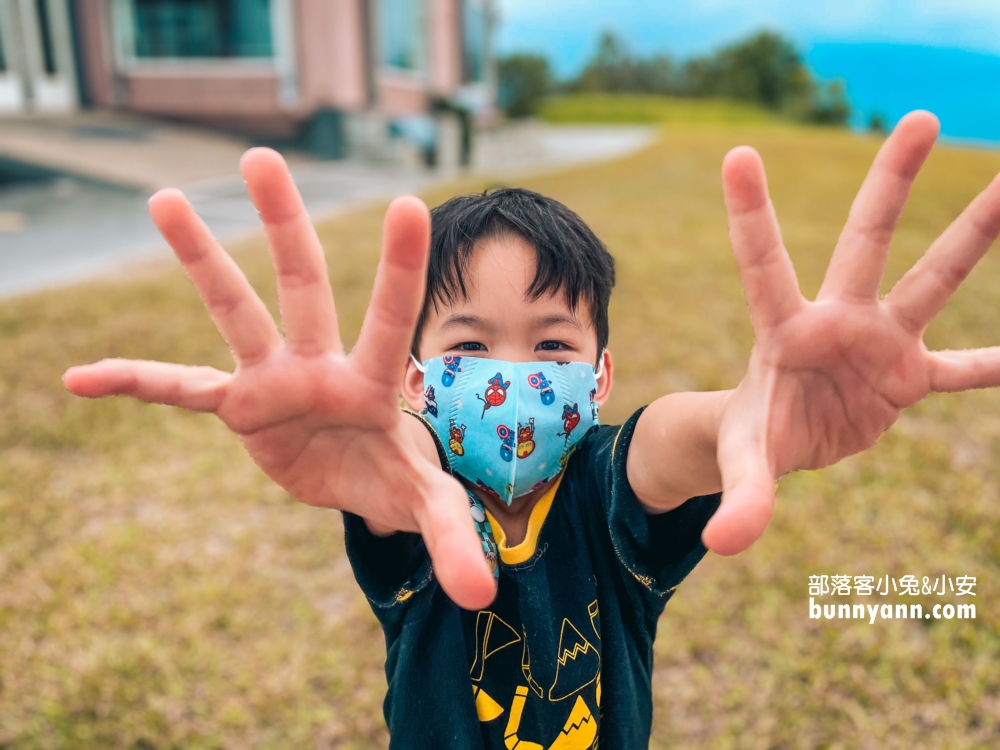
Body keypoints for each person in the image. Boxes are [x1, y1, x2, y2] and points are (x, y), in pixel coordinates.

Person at [63, 111, 1000, 748]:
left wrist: (741, 418)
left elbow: (662, 446)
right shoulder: (407, 489)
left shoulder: (603, 492)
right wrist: (386, 444)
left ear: (600, 377)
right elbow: (400, 477)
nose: (515, 377)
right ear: (414, 374)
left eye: (553, 346)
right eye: (471, 342)